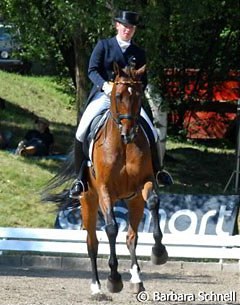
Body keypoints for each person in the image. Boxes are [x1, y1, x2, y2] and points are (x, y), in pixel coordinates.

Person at [69, 10, 172, 199]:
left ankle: (158, 171)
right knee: (82, 129)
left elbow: (144, 79)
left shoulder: (138, 52)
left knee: (152, 131)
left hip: (129, 101)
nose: (128, 30)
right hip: (105, 95)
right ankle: (79, 179)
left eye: (131, 28)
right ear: (117, 26)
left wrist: (135, 95)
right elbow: (92, 70)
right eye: (125, 27)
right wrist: (105, 85)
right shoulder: (104, 45)